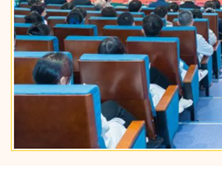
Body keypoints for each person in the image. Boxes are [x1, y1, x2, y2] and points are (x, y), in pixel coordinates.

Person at [32, 52, 163, 148]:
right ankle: (145, 139)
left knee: (111, 106)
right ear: (63, 80)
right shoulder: (82, 99)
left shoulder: (26, 101)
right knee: (118, 123)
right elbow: (103, 128)